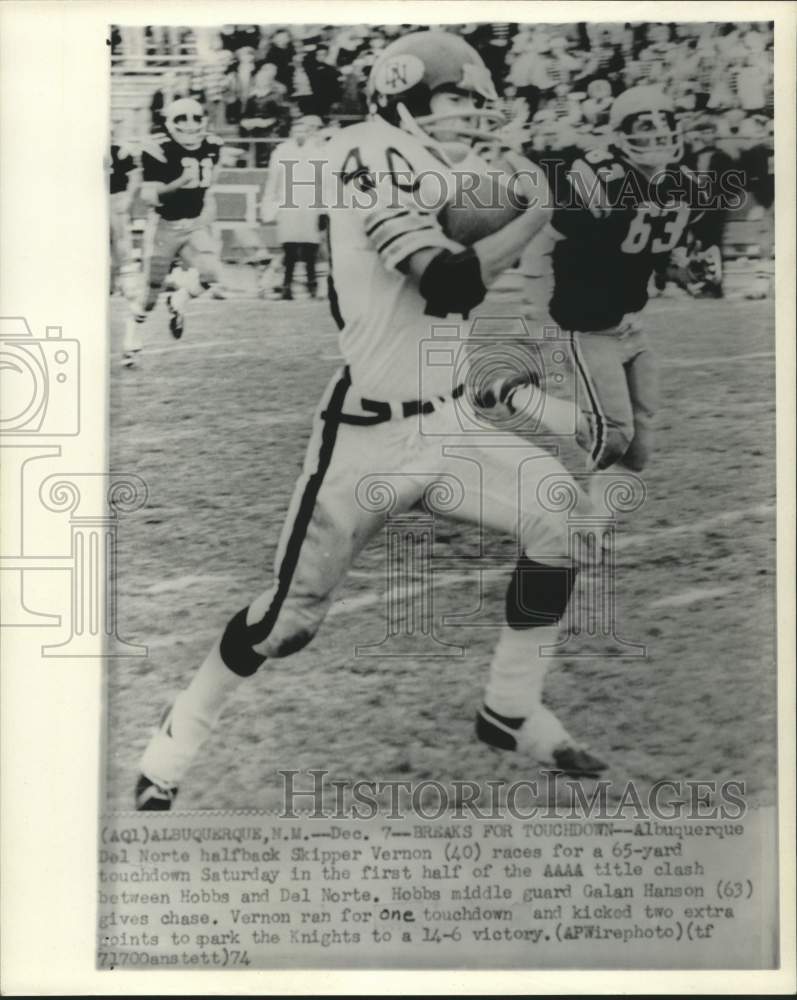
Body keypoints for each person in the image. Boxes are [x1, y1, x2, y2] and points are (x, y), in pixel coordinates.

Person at [134, 30, 608, 810]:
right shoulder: (366, 156)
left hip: (447, 425)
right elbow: (450, 281)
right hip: (365, 436)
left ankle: (510, 707)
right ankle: (179, 734)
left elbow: (484, 235)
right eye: (455, 99)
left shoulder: (442, 165)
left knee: (561, 512)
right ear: (403, 96)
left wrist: (550, 197)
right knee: (285, 626)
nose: (470, 115)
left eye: (475, 103)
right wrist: (539, 210)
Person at [502, 86, 707, 486]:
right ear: (619, 133)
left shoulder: (682, 184)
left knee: (638, 454)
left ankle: (592, 523)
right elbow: (541, 243)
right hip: (586, 324)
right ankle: (513, 395)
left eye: (664, 126)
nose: (657, 136)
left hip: (631, 324)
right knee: (612, 437)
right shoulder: (598, 179)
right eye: (644, 127)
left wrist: (681, 269)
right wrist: (543, 320)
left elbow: (651, 246)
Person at [124, 98, 226, 363]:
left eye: (195, 118)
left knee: (212, 273)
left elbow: (210, 183)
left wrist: (205, 213)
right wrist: (180, 182)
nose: (190, 125)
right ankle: (132, 334)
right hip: (164, 226)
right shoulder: (157, 148)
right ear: (170, 122)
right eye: (182, 119)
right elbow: (149, 196)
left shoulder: (213, 145)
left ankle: (179, 300)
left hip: (193, 223)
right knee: (151, 291)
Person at [261, 115, 324, 299]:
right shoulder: (281, 151)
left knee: (310, 245)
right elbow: (273, 180)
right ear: (290, 132)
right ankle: (287, 284)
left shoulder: (318, 151)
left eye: (303, 131)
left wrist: (323, 209)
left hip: (311, 201)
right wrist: (270, 205)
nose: (300, 134)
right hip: (288, 200)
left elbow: (323, 181)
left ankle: (312, 283)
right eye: (296, 131)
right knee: (289, 246)